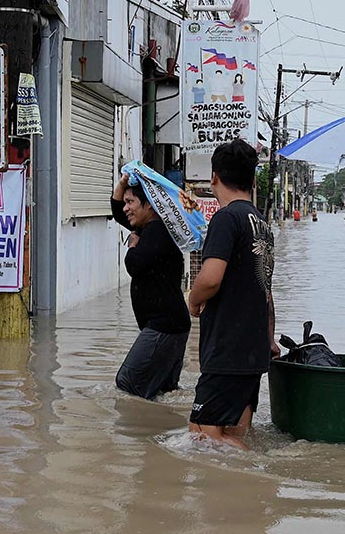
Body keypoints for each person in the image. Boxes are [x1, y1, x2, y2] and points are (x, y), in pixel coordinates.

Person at [187, 139, 277, 450]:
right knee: (239, 429)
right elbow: (266, 289)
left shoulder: (226, 218)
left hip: (227, 348)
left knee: (202, 432)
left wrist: (193, 299)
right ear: (253, 180)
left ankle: (257, 470)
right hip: (254, 350)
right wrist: (270, 338)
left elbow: (211, 278)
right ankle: (246, 495)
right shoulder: (263, 225)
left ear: (214, 178)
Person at [111, 174, 190, 400]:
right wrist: (123, 182)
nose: (125, 208)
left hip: (164, 327)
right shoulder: (150, 226)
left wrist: (132, 246)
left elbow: (134, 265)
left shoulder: (156, 231)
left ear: (149, 205)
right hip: (170, 326)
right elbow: (117, 212)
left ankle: (141, 432)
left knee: (127, 385)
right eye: (125, 202)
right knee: (162, 394)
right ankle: (161, 433)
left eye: (130, 202)